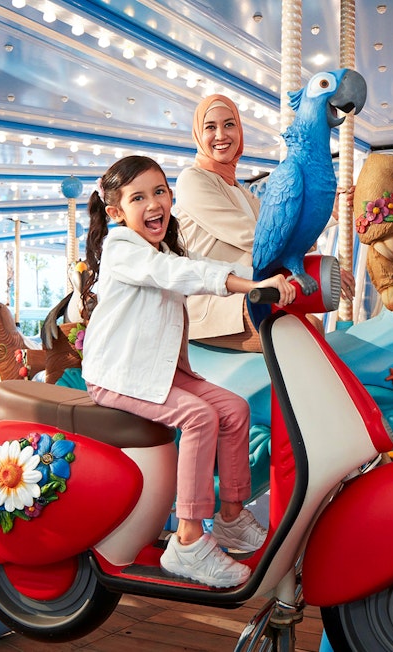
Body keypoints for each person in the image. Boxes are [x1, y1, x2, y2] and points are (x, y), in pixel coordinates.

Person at [80, 155, 295, 588]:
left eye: (160, 191)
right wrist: (252, 288)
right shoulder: (122, 249)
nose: (154, 203)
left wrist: (283, 274)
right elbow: (182, 274)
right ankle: (188, 540)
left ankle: (231, 517)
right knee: (199, 417)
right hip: (119, 374)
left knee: (233, 408)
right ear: (117, 212)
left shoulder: (163, 246)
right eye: (139, 197)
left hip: (160, 371)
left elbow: (208, 266)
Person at [175, 94, 355, 351]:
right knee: (302, 337)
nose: (221, 135)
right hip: (212, 300)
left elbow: (282, 228)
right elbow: (258, 238)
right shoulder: (192, 179)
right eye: (210, 127)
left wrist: (330, 214)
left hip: (248, 292)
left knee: (313, 326)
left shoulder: (241, 191)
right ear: (198, 134)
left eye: (229, 124)